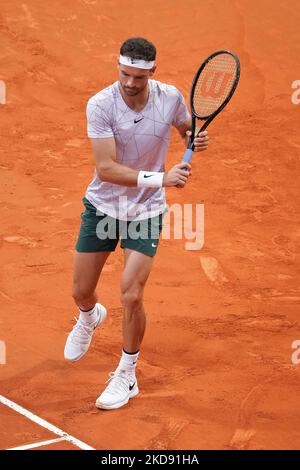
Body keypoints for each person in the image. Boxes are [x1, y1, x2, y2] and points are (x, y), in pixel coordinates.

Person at [64, 37, 209, 410]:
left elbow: (184, 126)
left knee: (131, 293)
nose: (130, 83)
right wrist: (162, 178)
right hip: (103, 207)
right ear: (118, 68)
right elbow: (106, 168)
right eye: (124, 74)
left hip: (145, 212)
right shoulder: (99, 104)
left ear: (152, 73)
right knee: (81, 290)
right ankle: (88, 316)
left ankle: (127, 374)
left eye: (138, 77)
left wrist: (193, 135)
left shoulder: (171, 97)